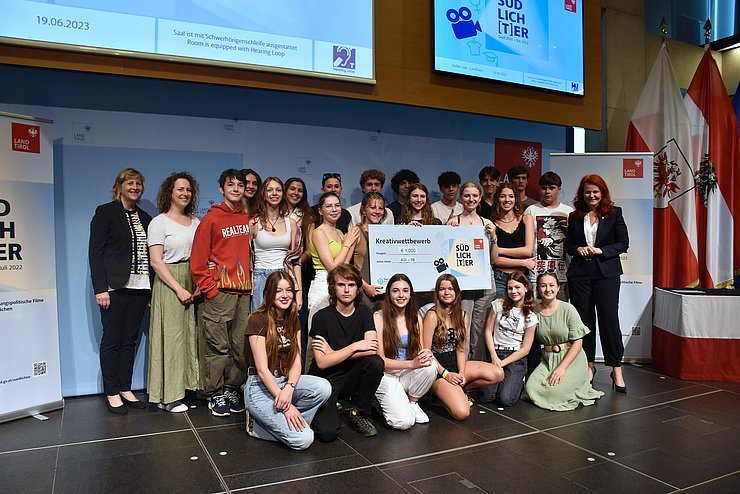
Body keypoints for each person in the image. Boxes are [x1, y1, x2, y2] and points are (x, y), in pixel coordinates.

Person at [244, 272, 331, 450]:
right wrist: (286, 404)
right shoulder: (257, 319)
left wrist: (289, 388)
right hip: (260, 387)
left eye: (289, 290)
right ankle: (257, 426)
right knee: (304, 440)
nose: (285, 295)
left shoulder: (293, 319)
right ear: (268, 294)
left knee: (323, 387)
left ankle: (285, 423)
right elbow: (262, 370)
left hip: (284, 382)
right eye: (278, 291)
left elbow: (297, 359)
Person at [89, 167, 152, 414]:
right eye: (130, 183)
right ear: (120, 186)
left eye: (138, 184)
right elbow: (95, 253)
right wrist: (100, 289)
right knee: (112, 339)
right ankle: (112, 391)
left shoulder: (145, 218)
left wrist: (149, 292)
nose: (135, 187)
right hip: (113, 288)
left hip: (140, 288)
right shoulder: (105, 213)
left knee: (130, 340)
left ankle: (126, 388)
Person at [190, 169, 252, 417]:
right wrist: (210, 290)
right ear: (221, 189)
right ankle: (214, 393)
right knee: (218, 346)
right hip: (220, 293)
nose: (236, 188)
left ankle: (230, 389)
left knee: (240, 346)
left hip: (243, 293)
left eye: (240, 184)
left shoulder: (247, 218)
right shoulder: (211, 219)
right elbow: (198, 261)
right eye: (230, 184)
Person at [565, 174, 629, 392]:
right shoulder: (575, 216)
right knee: (584, 322)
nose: (591, 195)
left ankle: (616, 368)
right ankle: (588, 365)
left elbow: (623, 243)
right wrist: (578, 249)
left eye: (595, 192)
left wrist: (601, 250)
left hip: (606, 274)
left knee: (609, 320)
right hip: (580, 274)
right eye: (587, 192)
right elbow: (569, 245)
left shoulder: (614, 214)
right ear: (582, 194)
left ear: (602, 193)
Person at [308, 264, 385, 441]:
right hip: (326, 378)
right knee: (327, 434)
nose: (346, 290)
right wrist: (355, 346)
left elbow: (373, 349)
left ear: (358, 288)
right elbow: (322, 363)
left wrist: (333, 353)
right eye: (341, 285)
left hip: (352, 374)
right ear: (333, 288)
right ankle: (324, 406)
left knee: (375, 363)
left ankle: (359, 413)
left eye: (351, 285)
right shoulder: (321, 317)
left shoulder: (364, 312)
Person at [147, 172, 201, 413]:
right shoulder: (159, 223)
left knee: (190, 336)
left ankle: (188, 387)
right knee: (171, 338)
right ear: (169, 192)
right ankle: (168, 397)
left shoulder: (196, 223)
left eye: (188, 189)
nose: (184, 193)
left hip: (192, 279)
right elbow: (156, 262)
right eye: (180, 189)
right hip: (170, 283)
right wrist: (179, 288)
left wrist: (198, 283)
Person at [423, 274, 504, 421]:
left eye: (450, 289)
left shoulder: (462, 315)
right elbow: (426, 353)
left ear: (457, 292)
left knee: (498, 373)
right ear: (437, 292)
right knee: (462, 413)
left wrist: (461, 373)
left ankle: (460, 389)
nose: (446, 293)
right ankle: (439, 395)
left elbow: (461, 349)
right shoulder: (432, 315)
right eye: (442, 289)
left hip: (455, 363)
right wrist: (447, 374)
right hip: (437, 370)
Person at [523, 272, 604, 411]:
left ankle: (585, 376)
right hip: (548, 359)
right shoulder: (534, 311)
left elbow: (578, 342)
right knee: (530, 388)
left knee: (556, 392)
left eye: (551, 285)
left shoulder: (568, 309)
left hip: (571, 359)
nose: (548, 289)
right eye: (543, 286)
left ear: (558, 287)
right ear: (538, 289)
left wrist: (562, 368)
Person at [374, 274, 437, 429]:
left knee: (431, 365)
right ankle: (382, 400)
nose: (401, 295)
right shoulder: (379, 317)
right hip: (387, 375)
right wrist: (411, 363)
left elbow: (419, 350)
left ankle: (413, 402)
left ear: (410, 294)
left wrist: (425, 355)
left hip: (406, 373)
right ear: (388, 294)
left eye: (405, 291)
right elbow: (380, 360)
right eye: (395, 291)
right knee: (404, 423)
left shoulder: (415, 317)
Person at [447, 182, 499, 360]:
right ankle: (463, 367)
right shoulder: (454, 222)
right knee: (464, 326)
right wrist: (449, 230)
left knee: (481, 327)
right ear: (461, 198)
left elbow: (494, 259)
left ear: (480, 198)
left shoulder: (488, 223)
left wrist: (493, 237)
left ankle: (478, 366)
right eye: (467, 196)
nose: (471, 199)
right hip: (463, 282)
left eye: (475, 196)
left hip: (486, 281)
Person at [479, 271, 538, 407]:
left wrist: (503, 363)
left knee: (506, 399)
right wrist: (494, 357)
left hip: (514, 357)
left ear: (526, 288)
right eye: (510, 288)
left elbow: (525, 349)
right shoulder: (498, 305)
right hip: (496, 353)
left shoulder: (531, 316)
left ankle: (518, 379)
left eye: (517, 287)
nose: (513, 291)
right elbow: (488, 331)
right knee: (486, 396)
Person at [306, 192, 359, 338]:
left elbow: (345, 264)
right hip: (323, 283)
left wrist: (351, 242)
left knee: (335, 335)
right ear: (320, 210)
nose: (334, 209)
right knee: (318, 336)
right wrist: (348, 243)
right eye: (329, 206)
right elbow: (332, 267)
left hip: (340, 283)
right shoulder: (318, 232)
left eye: (337, 205)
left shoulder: (340, 233)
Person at [249, 177, 301, 311]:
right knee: (260, 322)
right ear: (263, 194)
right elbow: (247, 257)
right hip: (260, 277)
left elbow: (295, 261)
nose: (274, 193)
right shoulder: (253, 223)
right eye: (270, 190)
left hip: (285, 275)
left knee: (284, 323)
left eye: (278, 190)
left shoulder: (291, 224)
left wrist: (298, 290)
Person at [524, 172, 573, 301]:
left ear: (559, 190)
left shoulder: (569, 212)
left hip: (562, 273)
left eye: (551, 188)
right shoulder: (531, 210)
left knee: (560, 313)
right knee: (536, 313)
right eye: (544, 188)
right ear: (539, 189)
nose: (547, 191)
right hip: (536, 273)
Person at [285, 177, 315, 355]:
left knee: (298, 322)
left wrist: (293, 261)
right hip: (275, 273)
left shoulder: (307, 217)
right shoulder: (275, 214)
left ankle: (299, 365)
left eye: (300, 190)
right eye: (292, 189)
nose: (296, 193)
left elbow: (310, 250)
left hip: (298, 275)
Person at [491, 183, 535, 297]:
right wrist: (523, 262)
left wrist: (499, 250)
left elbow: (527, 251)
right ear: (497, 199)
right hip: (499, 278)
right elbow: (494, 260)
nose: (507, 200)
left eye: (511, 196)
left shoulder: (526, 218)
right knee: (500, 313)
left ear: (516, 199)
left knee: (523, 313)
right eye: (502, 196)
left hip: (522, 277)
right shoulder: (491, 224)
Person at [350, 191, 387, 307]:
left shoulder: (388, 232)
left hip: (384, 292)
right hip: (363, 291)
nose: (377, 212)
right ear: (363, 210)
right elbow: (346, 265)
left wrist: (413, 229)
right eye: (372, 207)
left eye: (380, 208)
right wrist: (366, 287)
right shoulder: (355, 232)